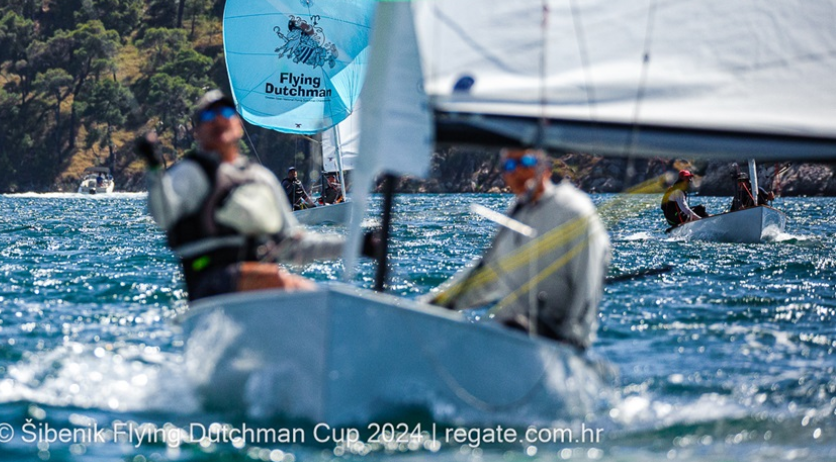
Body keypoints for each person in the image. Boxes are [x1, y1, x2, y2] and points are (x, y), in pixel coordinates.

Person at [139, 89, 372, 303]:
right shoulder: (190, 173)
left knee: (316, 296)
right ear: (197, 131)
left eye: (226, 112)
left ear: (238, 125)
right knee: (282, 282)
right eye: (209, 116)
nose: (219, 119)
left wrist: (359, 244)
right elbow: (163, 214)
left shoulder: (260, 179)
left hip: (261, 287)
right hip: (211, 285)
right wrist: (153, 168)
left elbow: (296, 246)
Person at [425, 148, 610, 350]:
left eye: (526, 162)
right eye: (510, 166)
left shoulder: (574, 210)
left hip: (554, 345)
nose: (517, 172)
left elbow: (588, 282)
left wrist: (574, 340)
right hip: (510, 339)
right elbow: (485, 277)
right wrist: (431, 306)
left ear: (545, 168)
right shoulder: (515, 212)